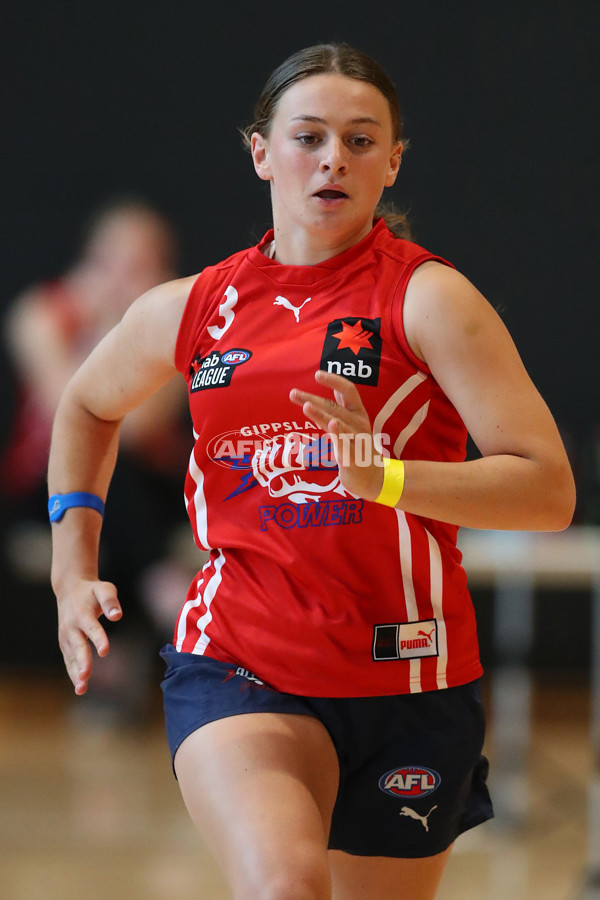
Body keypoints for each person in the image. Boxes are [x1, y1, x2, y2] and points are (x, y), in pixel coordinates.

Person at [47, 43, 575, 900]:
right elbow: (86, 406)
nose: (335, 157)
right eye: (309, 136)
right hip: (241, 658)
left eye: (363, 140)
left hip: (411, 675)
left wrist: (391, 480)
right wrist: (74, 575)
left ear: (393, 160)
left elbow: (549, 491)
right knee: (287, 887)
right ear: (261, 151)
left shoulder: (431, 300)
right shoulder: (194, 307)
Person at [2, 198, 193, 713]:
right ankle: (161, 591)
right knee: (100, 452)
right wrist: (111, 327)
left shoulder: (173, 320)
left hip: (145, 487)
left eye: (142, 266)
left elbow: (147, 424)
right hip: (47, 484)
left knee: (123, 468)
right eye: (113, 263)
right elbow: (73, 414)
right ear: (89, 261)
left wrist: (132, 324)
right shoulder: (40, 313)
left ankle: (111, 664)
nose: (123, 278)